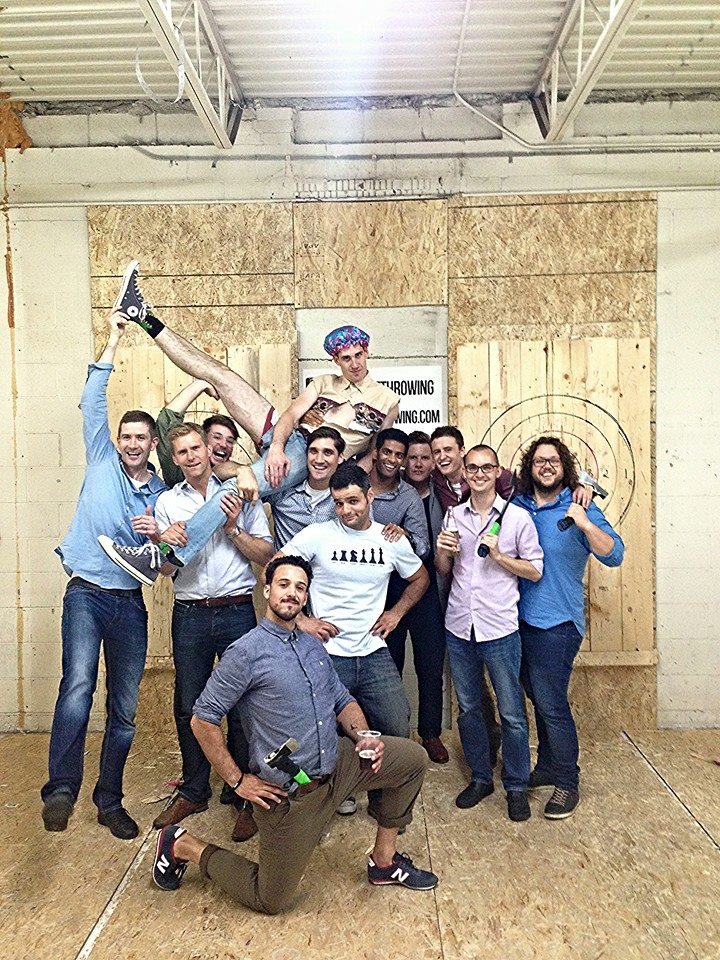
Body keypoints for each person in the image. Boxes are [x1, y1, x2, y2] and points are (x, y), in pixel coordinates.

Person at [152, 557, 438, 912]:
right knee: (270, 899)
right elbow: (202, 719)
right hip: (291, 794)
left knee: (412, 759)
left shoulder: (312, 646)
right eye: (284, 584)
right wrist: (237, 781)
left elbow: (342, 700)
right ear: (267, 590)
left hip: (338, 767)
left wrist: (363, 737)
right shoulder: (246, 653)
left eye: (300, 587)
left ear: (306, 597)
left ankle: (383, 861)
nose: (292, 593)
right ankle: (182, 845)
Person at [100, 262, 400, 583]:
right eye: (346, 358)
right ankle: (142, 314)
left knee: (233, 488)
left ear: (367, 352)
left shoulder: (388, 401)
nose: (353, 363)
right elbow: (290, 416)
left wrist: (345, 476)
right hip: (288, 441)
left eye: (358, 355)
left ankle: (161, 556)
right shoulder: (324, 382)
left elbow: (374, 451)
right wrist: (276, 448)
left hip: (307, 456)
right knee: (221, 375)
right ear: (336, 360)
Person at [41, 311, 166, 839]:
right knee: (77, 688)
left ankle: (108, 799)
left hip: (129, 604)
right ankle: (61, 790)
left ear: (153, 443)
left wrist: (159, 535)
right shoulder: (101, 460)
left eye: (141, 437)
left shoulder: (160, 494)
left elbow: (165, 563)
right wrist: (113, 339)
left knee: (125, 709)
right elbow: (92, 397)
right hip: (86, 596)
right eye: (126, 436)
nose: (132, 443)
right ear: (116, 439)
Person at [277, 462, 429, 815]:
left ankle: (385, 801)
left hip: (373, 651)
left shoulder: (388, 540)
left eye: (353, 501)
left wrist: (396, 613)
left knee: (396, 725)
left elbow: (420, 578)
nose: (346, 510)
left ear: (370, 496)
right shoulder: (317, 534)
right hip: (326, 654)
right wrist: (302, 620)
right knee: (324, 730)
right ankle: (339, 791)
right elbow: (276, 569)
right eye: (339, 503)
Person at [151, 423, 274, 842]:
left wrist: (233, 527)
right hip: (190, 615)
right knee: (189, 704)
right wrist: (166, 543)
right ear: (175, 459)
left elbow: (266, 554)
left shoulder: (241, 492)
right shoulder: (167, 502)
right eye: (182, 452)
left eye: (195, 448)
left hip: (237, 610)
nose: (190, 456)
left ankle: (242, 793)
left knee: (243, 705)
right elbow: (163, 569)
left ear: (208, 450)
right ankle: (194, 789)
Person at [514, 436, 624, 820]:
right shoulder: (519, 505)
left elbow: (614, 554)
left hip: (559, 623)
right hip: (519, 621)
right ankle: (547, 766)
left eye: (553, 461)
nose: (546, 466)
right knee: (537, 696)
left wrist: (585, 523)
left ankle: (567, 781)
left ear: (564, 468)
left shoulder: (580, 506)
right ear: (529, 468)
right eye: (539, 461)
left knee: (551, 702)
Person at [436, 444, 543, 822]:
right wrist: (443, 551)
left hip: (499, 628)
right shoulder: (454, 515)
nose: (479, 474)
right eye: (473, 468)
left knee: (511, 712)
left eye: (486, 468)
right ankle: (481, 777)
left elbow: (535, 570)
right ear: (464, 473)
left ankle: (516, 785)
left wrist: (499, 557)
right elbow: (444, 569)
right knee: (469, 709)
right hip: (459, 626)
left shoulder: (517, 519)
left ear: (498, 472)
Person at [385, 430, 451, 764]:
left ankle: (430, 733)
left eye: (426, 457)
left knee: (430, 666)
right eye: (412, 457)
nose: (418, 463)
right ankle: (395, 734)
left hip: (429, 592)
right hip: (390, 593)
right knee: (390, 666)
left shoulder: (444, 495)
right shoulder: (388, 495)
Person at [155, 378, 240, 486]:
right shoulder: (181, 474)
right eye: (217, 437)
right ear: (205, 443)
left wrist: (243, 471)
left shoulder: (238, 480)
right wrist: (200, 385)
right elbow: (165, 421)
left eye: (230, 441)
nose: (224, 444)